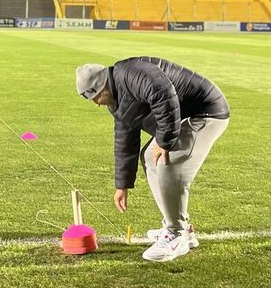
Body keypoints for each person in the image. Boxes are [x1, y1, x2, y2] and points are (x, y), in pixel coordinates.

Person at [75, 57, 229, 262]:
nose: (96, 104)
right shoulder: (117, 99)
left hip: (206, 112)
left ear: (101, 87)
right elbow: (125, 139)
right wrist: (122, 185)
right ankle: (179, 228)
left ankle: (176, 235)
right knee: (149, 157)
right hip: (182, 118)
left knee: (167, 162)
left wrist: (164, 141)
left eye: (93, 98)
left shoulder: (131, 73)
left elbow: (164, 95)